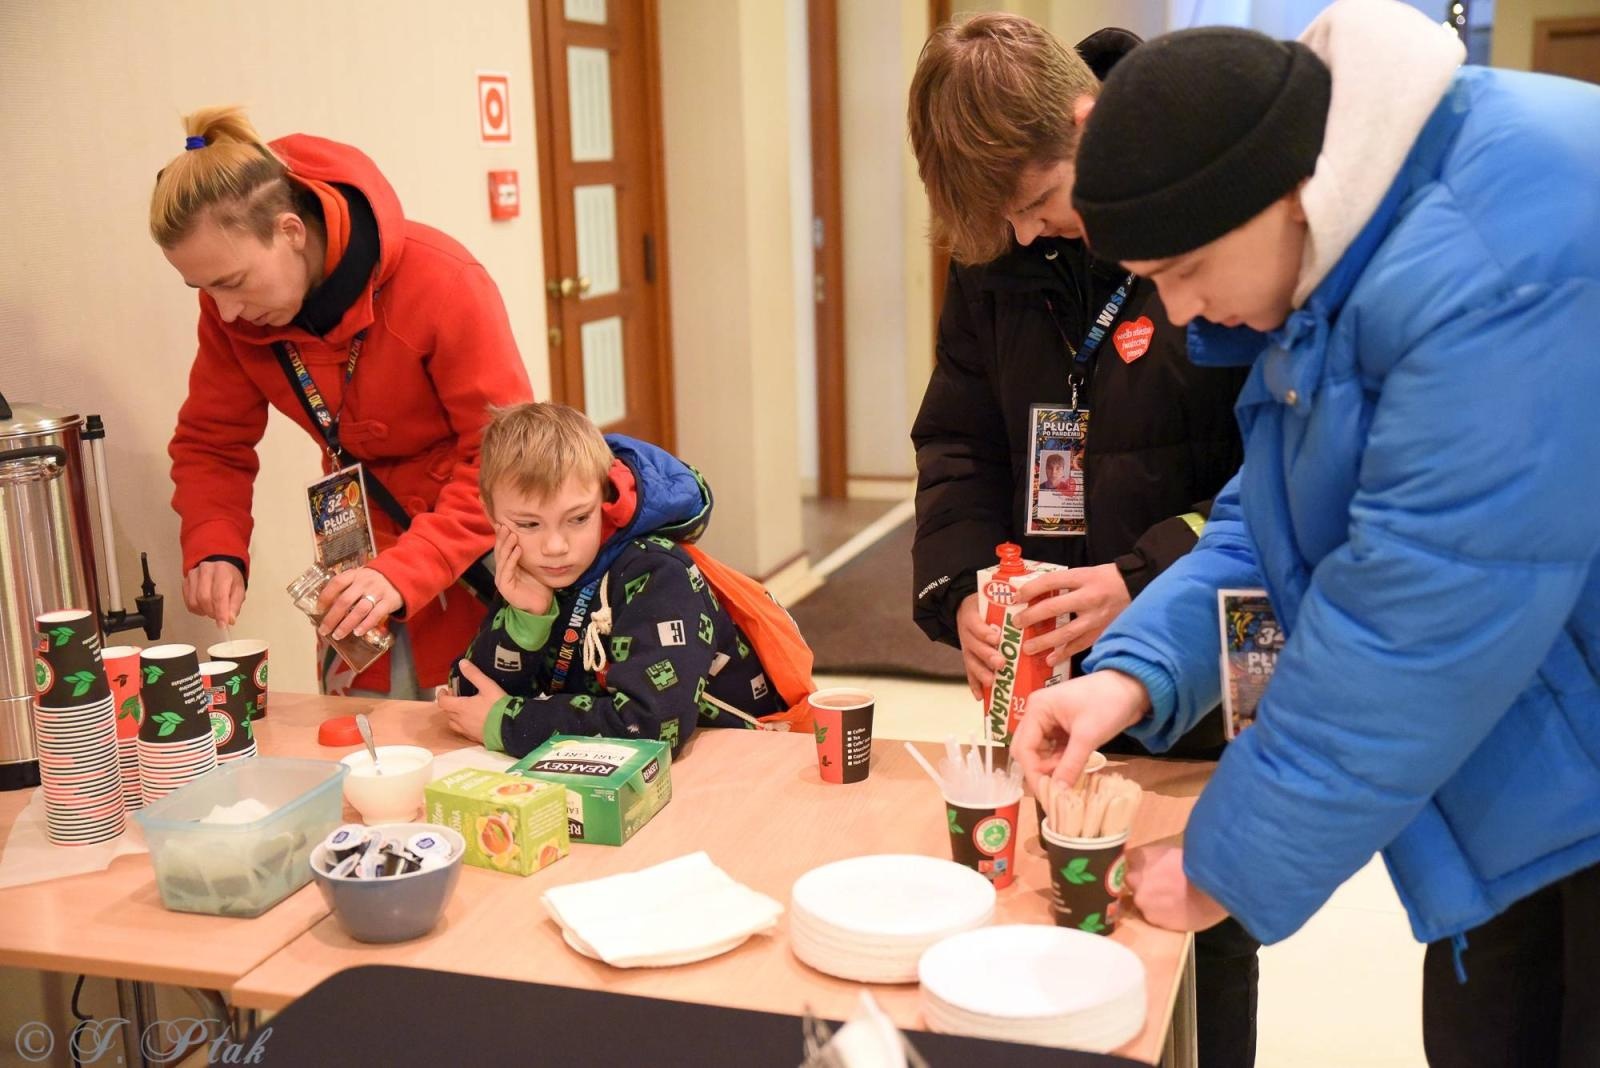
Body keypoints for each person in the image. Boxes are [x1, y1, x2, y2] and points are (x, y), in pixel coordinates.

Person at [1015, 3, 1600, 1063]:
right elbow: (1281, 512)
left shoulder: (1489, 259)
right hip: (1533, 743)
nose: (1180, 312)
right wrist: (1133, 674)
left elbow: (1416, 621)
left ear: (1275, 196)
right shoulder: (1346, 231)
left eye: (1187, 269)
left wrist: (1222, 866)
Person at [906, 16, 1257, 1066]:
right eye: (1003, 224)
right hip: (1049, 662)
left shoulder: (1193, 210)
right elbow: (958, 442)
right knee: (1052, 916)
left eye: (1038, 205)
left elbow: (1280, 482)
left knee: (1197, 925)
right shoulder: (998, 252)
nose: (1025, 237)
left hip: (1200, 637)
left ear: (1084, 127)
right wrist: (962, 594)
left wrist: (1145, 576)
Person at [151, 106, 533, 698]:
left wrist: (407, 569)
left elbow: (506, 458)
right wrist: (214, 543)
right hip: (354, 546)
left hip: (472, 543)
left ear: (290, 231)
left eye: (232, 282)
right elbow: (212, 442)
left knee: (472, 726)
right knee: (357, 730)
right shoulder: (232, 316)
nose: (224, 311)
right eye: (202, 289)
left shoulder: (443, 282)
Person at [437, 403, 787, 758]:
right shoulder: (527, 571)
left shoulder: (659, 573)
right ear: (490, 513)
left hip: (739, 763)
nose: (555, 547)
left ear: (603, 498)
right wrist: (526, 621)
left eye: (578, 518)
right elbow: (468, 702)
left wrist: (509, 724)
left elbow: (651, 727)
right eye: (529, 524)